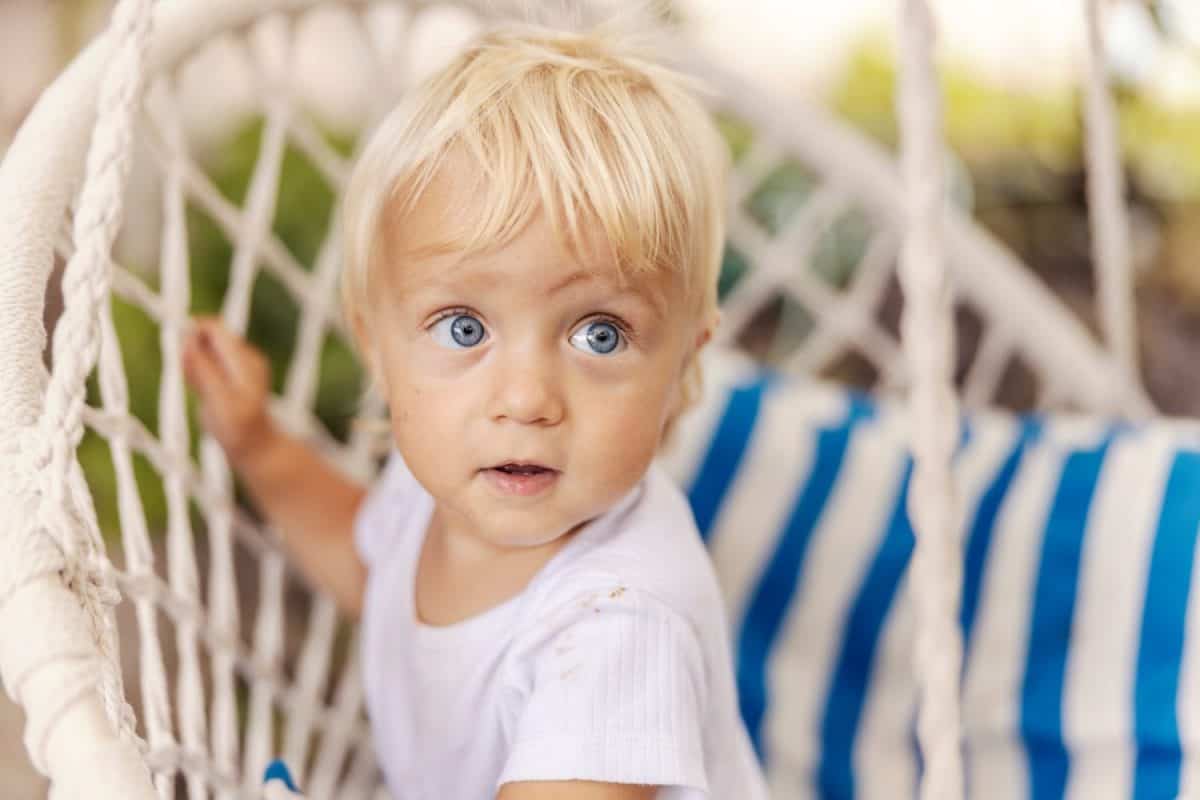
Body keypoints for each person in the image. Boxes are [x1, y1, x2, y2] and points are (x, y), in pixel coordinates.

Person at [183, 20, 769, 800]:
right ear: (378, 348)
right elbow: (373, 571)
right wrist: (258, 444)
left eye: (600, 334)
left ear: (685, 360)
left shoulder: (620, 625)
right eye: (465, 328)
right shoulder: (447, 480)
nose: (525, 399)